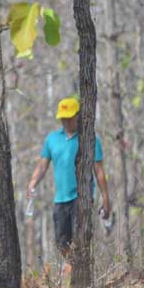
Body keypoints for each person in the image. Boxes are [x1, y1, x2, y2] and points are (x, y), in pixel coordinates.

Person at [26, 97, 111, 257]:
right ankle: (73, 268)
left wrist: (106, 198)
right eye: (63, 118)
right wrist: (32, 183)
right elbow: (43, 165)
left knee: (80, 239)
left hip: (81, 197)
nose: (65, 121)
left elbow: (99, 170)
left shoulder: (90, 139)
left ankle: (81, 272)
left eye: (69, 117)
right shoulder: (52, 139)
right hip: (60, 199)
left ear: (78, 116)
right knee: (61, 241)